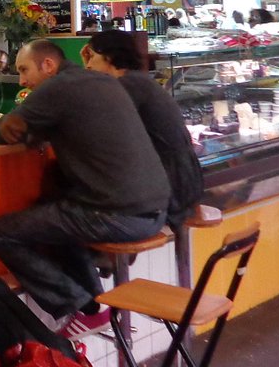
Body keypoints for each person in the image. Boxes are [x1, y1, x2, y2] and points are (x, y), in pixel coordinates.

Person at [0, 39, 170, 338]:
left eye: (24, 70)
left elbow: (6, 132)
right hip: (158, 209)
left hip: (117, 215)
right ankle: (95, 301)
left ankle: (78, 303)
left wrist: (0, 124)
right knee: (55, 209)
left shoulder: (55, 89)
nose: (21, 80)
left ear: (48, 65)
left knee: (0, 231)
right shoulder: (99, 81)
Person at [81, 31, 203, 232]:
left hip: (172, 188)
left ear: (108, 57)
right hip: (185, 180)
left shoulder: (128, 86)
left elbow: (96, 130)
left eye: (91, 56)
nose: (87, 64)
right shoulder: (138, 81)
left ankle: (103, 260)